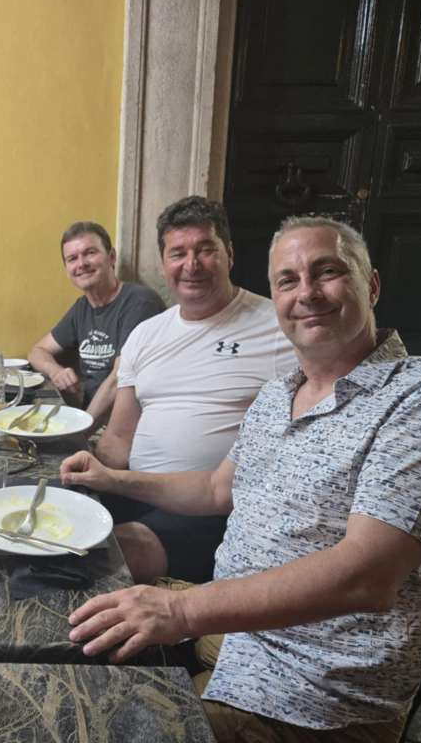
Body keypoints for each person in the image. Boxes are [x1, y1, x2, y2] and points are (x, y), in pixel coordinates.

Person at [61, 218, 421, 741]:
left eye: (327, 272)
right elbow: (218, 489)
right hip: (234, 635)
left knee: (95, 729)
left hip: (311, 694)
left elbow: (367, 576)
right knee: (64, 609)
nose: (306, 293)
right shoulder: (278, 394)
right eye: (288, 280)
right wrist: (112, 479)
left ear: (372, 284)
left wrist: (179, 609)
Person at [96, 196, 296, 583]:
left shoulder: (279, 327)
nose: (192, 265)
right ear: (163, 262)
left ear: (229, 254)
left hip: (211, 511)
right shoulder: (145, 335)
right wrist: (90, 477)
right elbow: (118, 439)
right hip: (133, 491)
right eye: (178, 253)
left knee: (108, 556)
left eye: (205, 249)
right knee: (49, 531)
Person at [28, 221, 164, 420]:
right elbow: (37, 352)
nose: (81, 264)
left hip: (125, 423)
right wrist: (56, 371)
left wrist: (80, 430)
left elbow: (120, 379)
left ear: (112, 257)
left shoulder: (139, 302)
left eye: (90, 253)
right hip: (91, 417)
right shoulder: (82, 307)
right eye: (72, 258)